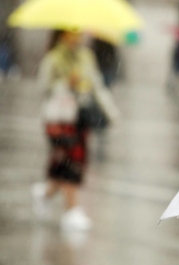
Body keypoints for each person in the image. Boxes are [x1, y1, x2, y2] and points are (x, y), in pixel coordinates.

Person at [32, 30, 120, 231]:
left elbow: (97, 87)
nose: (76, 38)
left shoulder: (86, 57)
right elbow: (42, 88)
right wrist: (65, 84)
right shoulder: (53, 58)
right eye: (71, 33)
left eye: (78, 33)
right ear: (62, 35)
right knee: (69, 161)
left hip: (79, 118)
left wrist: (110, 113)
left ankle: (44, 194)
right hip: (58, 119)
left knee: (75, 162)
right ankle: (73, 211)